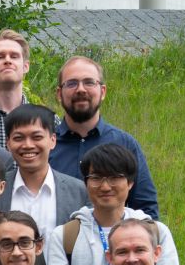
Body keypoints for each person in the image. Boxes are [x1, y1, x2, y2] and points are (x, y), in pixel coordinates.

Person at [45, 142, 181, 265]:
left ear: (130, 183)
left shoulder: (157, 232)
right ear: (86, 183)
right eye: (96, 178)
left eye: (114, 178)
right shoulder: (64, 236)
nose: (105, 186)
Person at [50, 56, 159, 220]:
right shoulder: (45, 146)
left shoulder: (125, 144)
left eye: (89, 82)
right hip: (58, 243)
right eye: (72, 83)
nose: (80, 89)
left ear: (103, 91)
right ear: (59, 94)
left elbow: (146, 210)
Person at [0, 104, 85, 233]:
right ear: (8, 144)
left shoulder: (79, 191)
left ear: (53, 140)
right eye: (18, 138)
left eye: (37, 137)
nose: (28, 145)